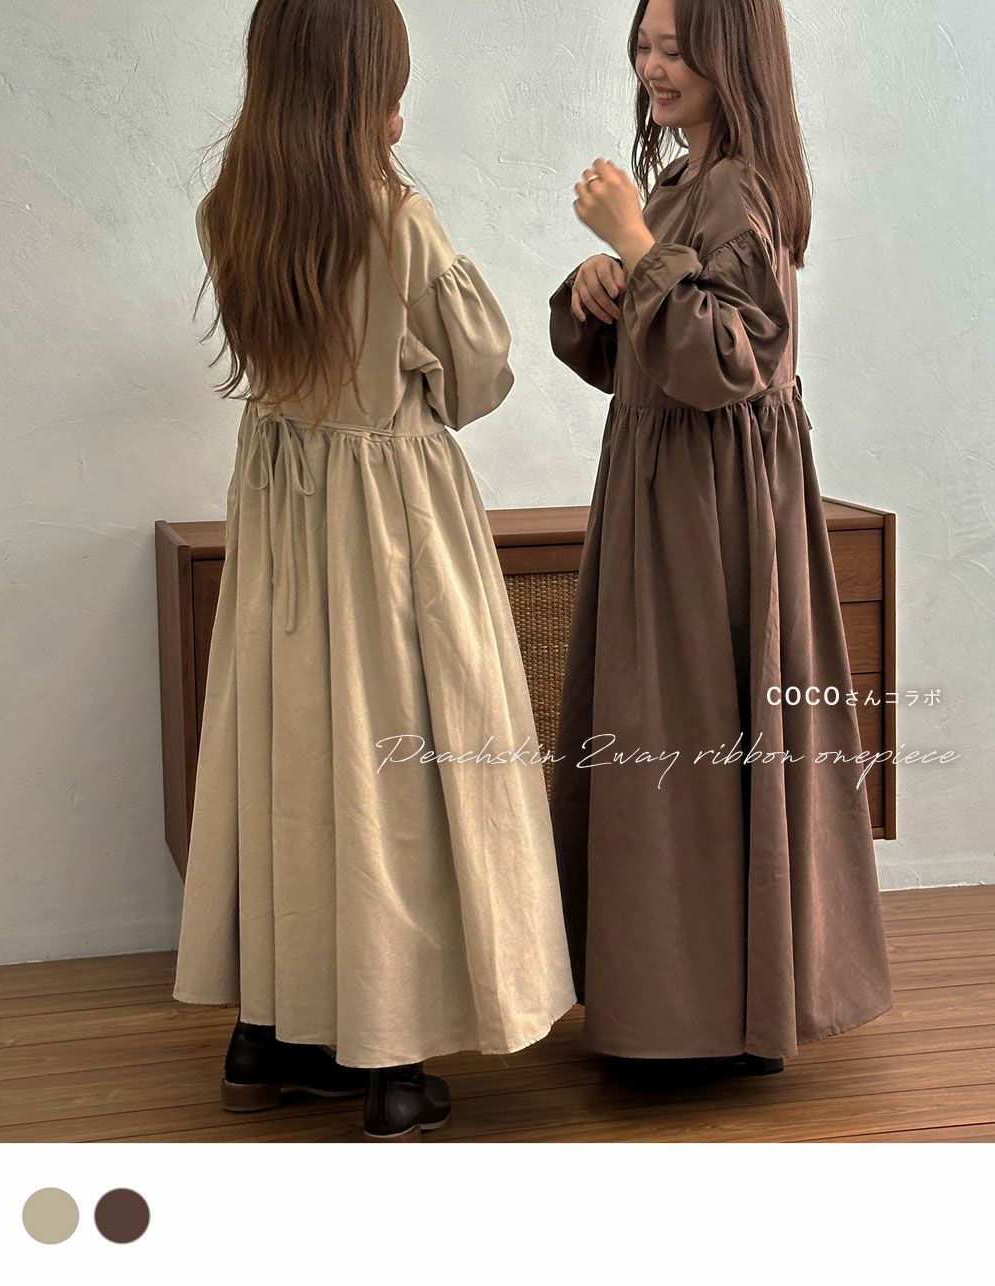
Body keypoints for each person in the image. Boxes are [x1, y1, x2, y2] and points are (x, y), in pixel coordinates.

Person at [173, 0, 576, 1142]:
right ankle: (391, 1062)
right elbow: (480, 373)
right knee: (399, 774)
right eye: (389, 89)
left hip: (282, 521)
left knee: (291, 763)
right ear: (364, 95)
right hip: (390, 525)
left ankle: (268, 1037)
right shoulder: (399, 220)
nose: (400, 110)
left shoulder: (231, 212)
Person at [547, 0, 893, 1072]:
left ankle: (709, 1015)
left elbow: (725, 364)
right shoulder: (682, 181)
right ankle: (677, 1003)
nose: (652, 66)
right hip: (664, 498)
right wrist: (600, 290)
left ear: (728, 56)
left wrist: (637, 249)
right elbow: (658, 351)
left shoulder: (740, 189)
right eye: (643, 46)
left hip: (716, 514)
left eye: (675, 48)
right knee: (663, 737)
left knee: (694, 734)